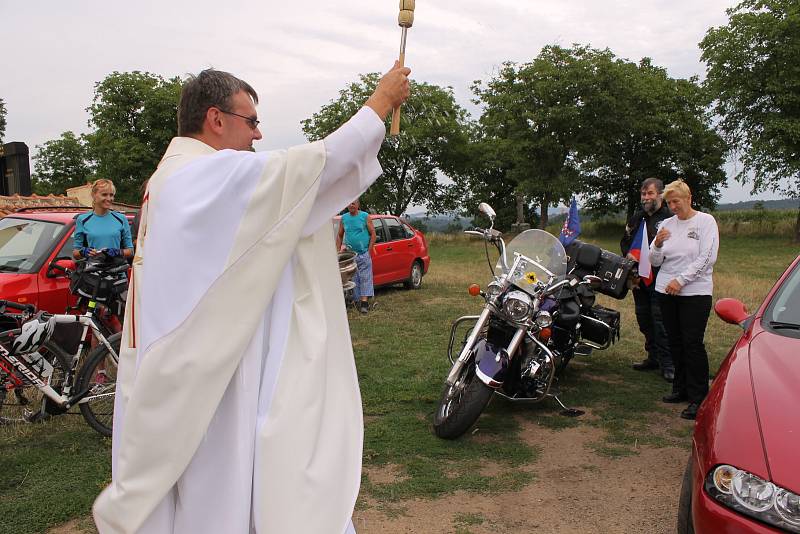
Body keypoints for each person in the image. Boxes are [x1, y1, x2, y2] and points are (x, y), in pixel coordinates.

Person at [92, 64, 410, 534]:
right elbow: (318, 168)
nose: (258, 135)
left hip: (179, 362)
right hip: (204, 374)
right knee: (218, 489)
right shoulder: (204, 177)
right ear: (216, 119)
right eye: (251, 121)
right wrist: (381, 102)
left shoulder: (172, 176)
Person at [649, 179, 719, 420]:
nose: (672, 206)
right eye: (669, 202)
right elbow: (655, 260)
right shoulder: (666, 224)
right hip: (666, 292)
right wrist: (657, 244)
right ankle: (680, 388)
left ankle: (698, 397)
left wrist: (681, 280)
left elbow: (707, 257)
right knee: (674, 341)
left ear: (688, 198)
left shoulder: (705, 222)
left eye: (676, 201)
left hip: (694, 293)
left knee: (692, 343)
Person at [620, 177, 674, 381]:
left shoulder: (670, 217)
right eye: (643, 194)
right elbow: (625, 242)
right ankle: (652, 357)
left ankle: (668, 363)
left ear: (660, 194)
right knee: (644, 319)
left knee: (660, 320)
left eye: (650, 193)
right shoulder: (636, 218)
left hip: (661, 276)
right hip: (639, 278)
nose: (645, 197)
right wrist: (629, 255)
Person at [72, 179, 134, 261]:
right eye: (104, 194)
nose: (109, 198)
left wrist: (118, 252)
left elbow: (130, 251)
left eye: (111, 195)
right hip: (93, 272)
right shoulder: (82, 219)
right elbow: (75, 254)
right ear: (94, 195)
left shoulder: (121, 218)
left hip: (116, 271)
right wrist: (83, 252)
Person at [336, 198, 376, 314]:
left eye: (353, 203)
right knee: (354, 279)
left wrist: (369, 250)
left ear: (358, 205)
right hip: (350, 255)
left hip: (363, 253)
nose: (351, 205)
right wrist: (338, 251)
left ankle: (364, 304)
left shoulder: (365, 216)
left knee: (365, 278)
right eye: (349, 203)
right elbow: (339, 235)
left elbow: (373, 234)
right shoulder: (344, 218)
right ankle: (357, 301)